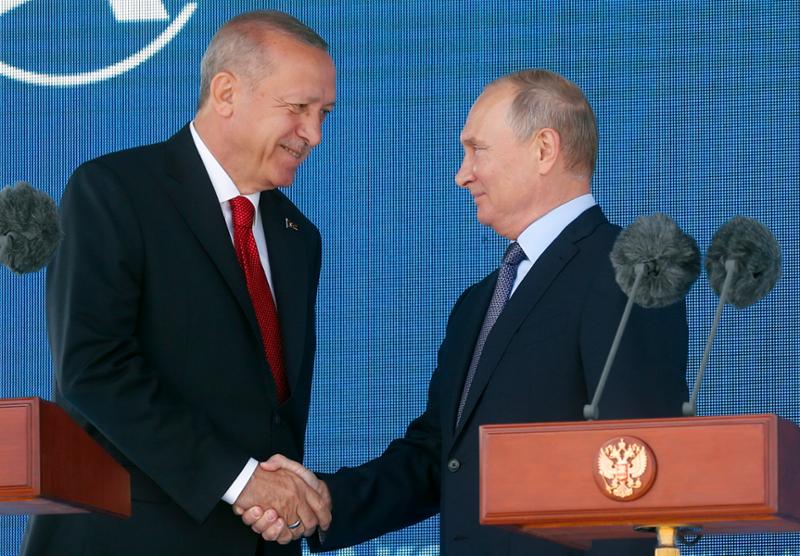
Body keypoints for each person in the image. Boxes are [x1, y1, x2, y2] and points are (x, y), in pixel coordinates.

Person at [242, 69, 689, 555]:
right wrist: (327, 502)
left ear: (544, 150)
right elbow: (440, 456)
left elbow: (637, 467)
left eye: (478, 150)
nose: (462, 174)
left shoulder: (627, 272)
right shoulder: (479, 302)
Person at [22, 10, 334, 556]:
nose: (313, 134)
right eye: (298, 108)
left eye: (323, 114)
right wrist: (240, 481)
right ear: (226, 92)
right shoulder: (114, 192)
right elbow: (93, 369)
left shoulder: (298, 236)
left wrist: (278, 504)